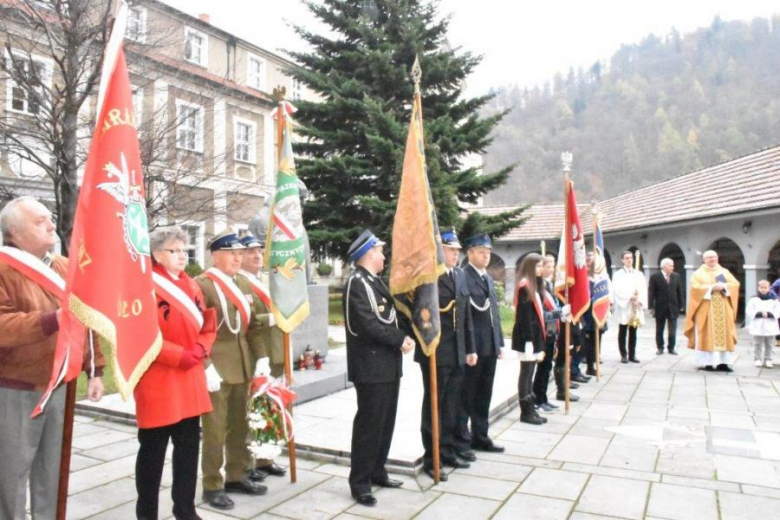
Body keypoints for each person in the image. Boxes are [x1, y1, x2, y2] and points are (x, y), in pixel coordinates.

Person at [0, 196, 105, 520]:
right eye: (39, 220)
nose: (50, 224)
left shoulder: (62, 265)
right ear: (14, 232)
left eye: (50, 217)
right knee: (10, 476)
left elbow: (86, 319)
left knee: (53, 472)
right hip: (16, 389)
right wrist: (51, 320)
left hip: (60, 384)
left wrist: (95, 368)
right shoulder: (3, 267)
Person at [134, 227, 217, 520]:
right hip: (159, 378)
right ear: (157, 254)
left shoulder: (191, 285)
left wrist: (202, 348)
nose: (183, 255)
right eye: (175, 250)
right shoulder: (144, 285)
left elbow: (207, 323)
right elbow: (140, 333)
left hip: (190, 376)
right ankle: (147, 514)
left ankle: (185, 508)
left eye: (184, 250)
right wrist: (178, 354)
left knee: (188, 449)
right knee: (153, 453)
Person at [196, 231, 268, 510]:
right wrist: (205, 366)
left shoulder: (241, 283)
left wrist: (260, 358)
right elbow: (195, 329)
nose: (239, 258)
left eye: (240, 253)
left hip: (242, 364)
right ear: (215, 255)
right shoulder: (203, 285)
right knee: (214, 431)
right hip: (215, 366)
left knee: (241, 425)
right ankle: (212, 484)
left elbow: (252, 328)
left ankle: (237, 475)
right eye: (232, 253)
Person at [344, 229, 414, 507]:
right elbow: (367, 324)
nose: (384, 256)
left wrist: (407, 335)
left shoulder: (374, 282)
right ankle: (360, 482)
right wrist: (401, 339)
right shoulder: (356, 283)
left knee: (385, 423)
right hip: (371, 366)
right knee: (369, 426)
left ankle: (377, 470)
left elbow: (392, 317)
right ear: (369, 254)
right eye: (380, 251)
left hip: (387, 365)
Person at [414, 229, 475, 481]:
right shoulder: (430, 277)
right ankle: (432, 458)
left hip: (458, 352)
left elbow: (466, 315)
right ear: (440, 251)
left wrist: (470, 348)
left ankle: (448, 451)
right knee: (434, 407)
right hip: (436, 353)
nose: (455, 254)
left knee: (451, 407)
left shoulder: (459, 276)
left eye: (458, 250)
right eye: (451, 250)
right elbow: (419, 315)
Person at [239, 233, 287, 480]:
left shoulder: (264, 280)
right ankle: (248, 463)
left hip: (274, 353)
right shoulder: (239, 282)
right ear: (241, 255)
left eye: (259, 251)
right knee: (253, 412)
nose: (257, 256)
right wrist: (272, 318)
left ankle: (266, 458)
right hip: (256, 356)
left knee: (270, 410)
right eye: (251, 252)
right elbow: (245, 321)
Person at [456, 233, 505, 456]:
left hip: (489, 347)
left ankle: (481, 436)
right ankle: (463, 440)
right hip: (474, 348)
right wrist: (470, 348)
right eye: (482, 252)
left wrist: (499, 343)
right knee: (467, 396)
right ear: (470, 253)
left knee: (484, 394)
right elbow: (465, 317)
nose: (486, 256)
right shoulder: (463, 277)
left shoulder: (487, 278)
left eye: (488, 252)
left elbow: (493, 313)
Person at [513, 253, 570, 425]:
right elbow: (526, 318)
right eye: (538, 266)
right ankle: (526, 412)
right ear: (530, 267)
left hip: (535, 337)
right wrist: (531, 341)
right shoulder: (524, 286)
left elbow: (538, 316)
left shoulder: (533, 286)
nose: (540, 269)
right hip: (527, 338)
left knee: (529, 373)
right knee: (526, 374)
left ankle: (531, 409)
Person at [684, 250, 740, 372]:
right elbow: (695, 288)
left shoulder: (724, 272)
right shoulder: (698, 274)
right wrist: (711, 288)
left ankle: (723, 363)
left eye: (714, 257)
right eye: (709, 257)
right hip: (706, 309)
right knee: (706, 335)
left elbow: (735, 284)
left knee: (725, 334)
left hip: (723, 308)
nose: (713, 259)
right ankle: (707, 363)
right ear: (704, 260)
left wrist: (724, 287)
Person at [532, 255, 564, 412]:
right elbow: (541, 313)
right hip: (542, 333)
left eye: (553, 265)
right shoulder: (537, 287)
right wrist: (558, 314)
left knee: (547, 368)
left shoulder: (548, 285)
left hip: (551, 331)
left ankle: (543, 397)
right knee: (542, 368)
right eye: (548, 266)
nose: (552, 269)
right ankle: (537, 399)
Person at [612, 251, 647, 363]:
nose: (629, 260)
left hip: (635, 305)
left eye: (631, 258)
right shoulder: (618, 275)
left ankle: (632, 354)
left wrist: (639, 300)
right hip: (625, 305)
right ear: (622, 260)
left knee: (634, 331)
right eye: (626, 258)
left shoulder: (638, 274)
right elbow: (617, 290)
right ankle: (623, 354)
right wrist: (629, 297)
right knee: (623, 330)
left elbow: (643, 289)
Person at [648, 258, 684, 356]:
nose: (673, 267)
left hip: (673, 306)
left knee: (673, 330)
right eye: (670, 265)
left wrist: (681, 305)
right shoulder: (655, 277)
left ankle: (671, 348)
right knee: (659, 329)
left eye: (672, 265)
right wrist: (651, 306)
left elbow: (679, 291)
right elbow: (651, 292)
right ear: (664, 266)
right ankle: (660, 347)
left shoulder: (676, 276)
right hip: (660, 306)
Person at [746, 280, 779, 368]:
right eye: (762, 288)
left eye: (765, 288)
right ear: (758, 288)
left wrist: (769, 314)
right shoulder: (754, 299)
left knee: (769, 343)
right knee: (758, 343)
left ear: (769, 288)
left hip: (770, 324)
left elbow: (778, 310)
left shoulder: (774, 300)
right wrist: (759, 313)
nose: (763, 289)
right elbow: (749, 310)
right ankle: (757, 359)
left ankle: (768, 359)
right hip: (758, 324)